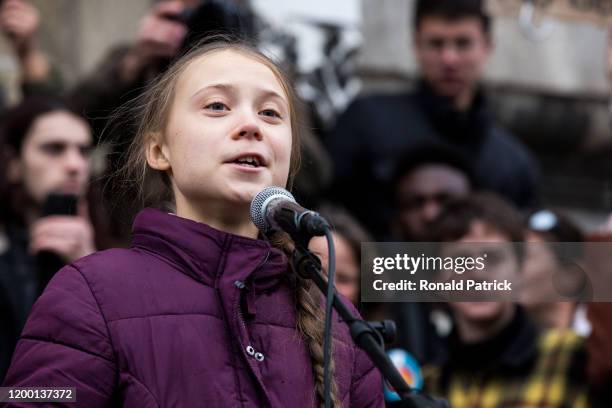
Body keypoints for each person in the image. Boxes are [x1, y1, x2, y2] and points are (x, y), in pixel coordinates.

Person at [3, 39, 384, 407]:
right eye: (218, 106)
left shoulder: (337, 322)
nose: (252, 125)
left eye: (270, 113)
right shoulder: (90, 291)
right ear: (158, 150)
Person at [325, 0, 539, 238]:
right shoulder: (365, 122)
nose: (449, 59)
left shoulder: (513, 162)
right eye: (436, 44)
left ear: (487, 47)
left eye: (463, 44)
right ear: (416, 45)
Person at [423, 193, 590, 407]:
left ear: (519, 271)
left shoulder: (574, 359)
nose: (478, 274)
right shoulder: (426, 386)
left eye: (493, 258)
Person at [0, 96, 105, 380]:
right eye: (53, 149)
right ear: (14, 164)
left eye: (83, 151)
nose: (74, 164)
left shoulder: (118, 247)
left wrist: (91, 269)